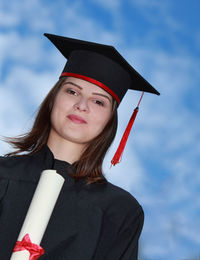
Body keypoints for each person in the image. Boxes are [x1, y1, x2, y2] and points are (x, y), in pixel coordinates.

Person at [0, 33, 159, 260]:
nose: (81, 105)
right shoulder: (3, 175)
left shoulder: (119, 211)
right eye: (72, 91)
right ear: (54, 98)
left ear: (109, 119)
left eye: (98, 101)